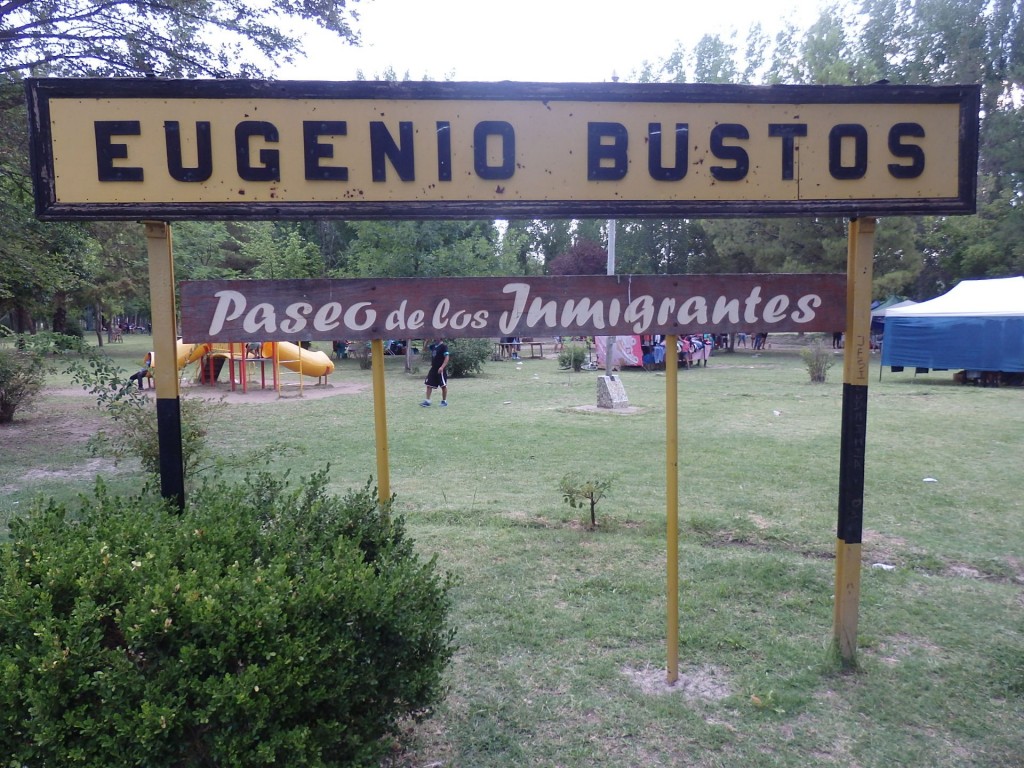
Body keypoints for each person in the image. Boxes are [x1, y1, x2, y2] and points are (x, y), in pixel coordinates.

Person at [421, 338, 449, 407]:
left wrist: (442, 367)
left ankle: (444, 401)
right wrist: (427, 341)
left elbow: (447, 357)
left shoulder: (444, 346)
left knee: (443, 385)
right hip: (433, 368)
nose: (434, 338)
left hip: (440, 369)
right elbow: (424, 350)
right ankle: (427, 401)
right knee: (429, 384)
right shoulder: (433, 346)